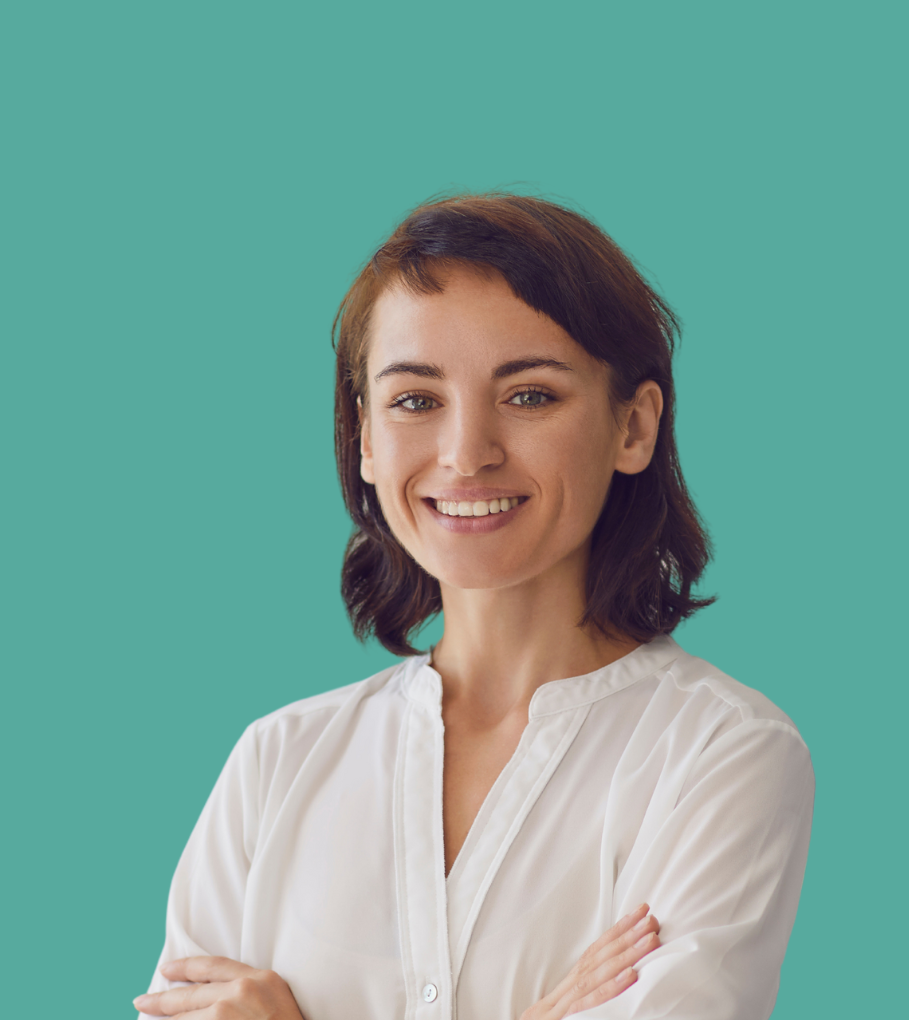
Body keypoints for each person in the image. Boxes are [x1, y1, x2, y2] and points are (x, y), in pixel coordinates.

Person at [134, 194, 814, 1020]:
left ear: (633, 426)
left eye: (529, 395)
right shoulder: (275, 763)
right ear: (366, 441)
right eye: (416, 400)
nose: (467, 455)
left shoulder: (721, 756)